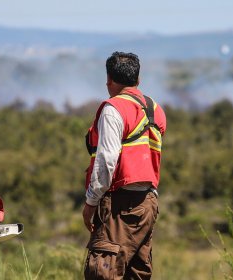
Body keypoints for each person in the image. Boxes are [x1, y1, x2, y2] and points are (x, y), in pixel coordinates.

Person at [82, 51, 167, 279]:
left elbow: (106, 161)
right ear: (138, 80)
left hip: (120, 204)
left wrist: (91, 203)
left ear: (109, 79)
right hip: (148, 204)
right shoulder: (156, 109)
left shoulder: (113, 109)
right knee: (137, 274)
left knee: (103, 273)